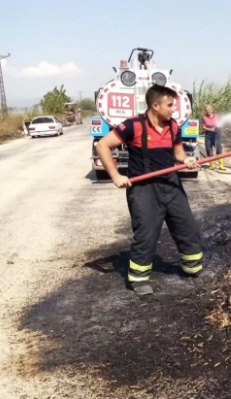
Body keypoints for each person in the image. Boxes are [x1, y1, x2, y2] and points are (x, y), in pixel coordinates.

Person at [95, 84, 204, 296]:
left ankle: (192, 267)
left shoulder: (173, 126)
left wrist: (187, 160)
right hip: (144, 187)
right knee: (146, 233)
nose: (173, 109)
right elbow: (102, 146)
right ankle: (138, 279)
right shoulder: (132, 126)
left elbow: (178, 153)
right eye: (170, 105)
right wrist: (116, 175)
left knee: (186, 226)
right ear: (155, 105)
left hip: (171, 182)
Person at [201, 105, 225, 171]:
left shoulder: (217, 116)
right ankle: (212, 166)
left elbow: (221, 123)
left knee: (219, 150)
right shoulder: (204, 118)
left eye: (209, 109)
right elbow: (203, 127)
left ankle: (221, 166)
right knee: (209, 150)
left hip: (217, 135)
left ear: (212, 109)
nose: (208, 111)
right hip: (208, 135)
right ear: (205, 111)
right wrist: (211, 129)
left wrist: (218, 127)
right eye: (206, 110)